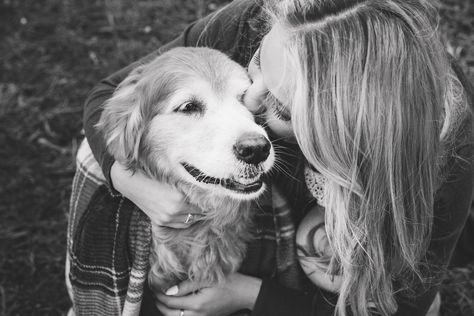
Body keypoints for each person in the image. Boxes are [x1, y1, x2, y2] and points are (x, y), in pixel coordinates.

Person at [70, 0, 474, 315]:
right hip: (265, 203)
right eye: (258, 65)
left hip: (343, 221)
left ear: (339, 126)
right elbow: (109, 94)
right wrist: (130, 182)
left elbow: (400, 311)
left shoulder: (443, 161)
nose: (250, 99)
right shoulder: (257, 23)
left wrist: (251, 295)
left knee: (347, 272)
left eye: (281, 105)